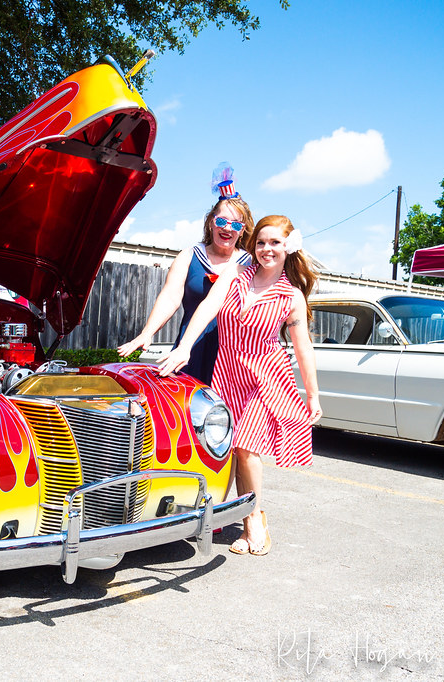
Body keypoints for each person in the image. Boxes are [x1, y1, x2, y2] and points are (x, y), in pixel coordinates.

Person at [158, 215, 321, 556]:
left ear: (288, 248)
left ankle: (255, 521)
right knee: (229, 448)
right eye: (261, 242)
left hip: (265, 380)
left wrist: (313, 394)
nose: (266, 249)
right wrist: (185, 347)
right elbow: (206, 309)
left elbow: (304, 350)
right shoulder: (235, 275)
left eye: (275, 243)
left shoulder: (291, 297)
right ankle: (224, 511)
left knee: (246, 448)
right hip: (228, 375)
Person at [118, 167, 254, 384]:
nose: (227, 228)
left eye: (235, 224)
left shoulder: (250, 265)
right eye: (221, 221)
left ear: (243, 229)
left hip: (234, 355)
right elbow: (170, 298)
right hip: (189, 350)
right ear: (211, 221)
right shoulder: (190, 256)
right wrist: (147, 333)